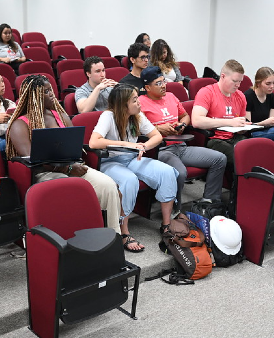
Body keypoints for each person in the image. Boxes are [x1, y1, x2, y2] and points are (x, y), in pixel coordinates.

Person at [6, 75, 122, 235]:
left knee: (107, 185)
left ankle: (113, 235)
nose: (52, 94)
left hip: (72, 166)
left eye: (51, 90)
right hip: (44, 173)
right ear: (35, 97)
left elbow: (75, 147)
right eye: (46, 92)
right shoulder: (20, 124)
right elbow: (33, 160)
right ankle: (77, 235)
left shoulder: (60, 116)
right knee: (72, 189)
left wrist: (71, 166)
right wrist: (66, 170)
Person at [89, 83, 179, 252]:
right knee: (129, 180)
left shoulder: (137, 115)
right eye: (135, 100)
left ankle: (166, 225)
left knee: (166, 172)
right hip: (111, 162)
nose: (139, 103)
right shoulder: (108, 116)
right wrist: (126, 144)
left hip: (132, 158)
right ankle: (124, 232)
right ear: (124, 104)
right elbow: (94, 142)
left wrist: (143, 146)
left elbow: (157, 136)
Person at [139, 66, 227, 212]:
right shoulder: (140, 102)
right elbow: (135, 129)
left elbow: (185, 116)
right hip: (160, 149)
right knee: (179, 172)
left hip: (181, 145)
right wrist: (157, 129)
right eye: (158, 83)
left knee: (219, 159)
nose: (163, 86)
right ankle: (174, 211)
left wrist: (182, 124)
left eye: (163, 81)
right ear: (147, 87)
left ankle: (209, 202)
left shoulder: (171, 96)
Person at [191, 59, 249, 168]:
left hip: (233, 137)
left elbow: (239, 125)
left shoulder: (240, 96)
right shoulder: (207, 92)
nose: (238, 85)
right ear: (223, 76)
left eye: (240, 81)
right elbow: (197, 121)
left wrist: (244, 126)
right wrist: (230, 122)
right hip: (214, 139)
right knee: (240, 158)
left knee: (255, 151)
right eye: (235, 81)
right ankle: (237, 184)